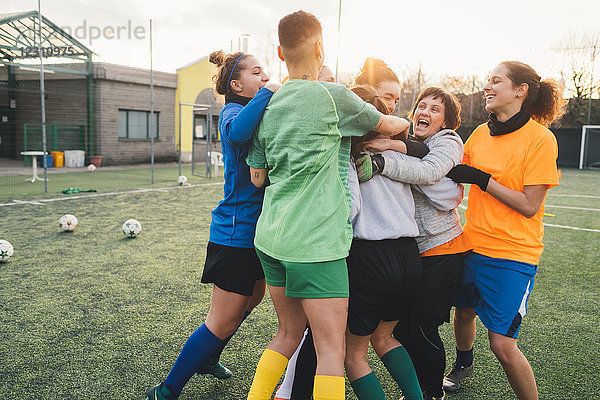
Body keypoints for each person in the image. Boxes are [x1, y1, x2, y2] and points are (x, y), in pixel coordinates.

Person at [245, 10, 410, 400]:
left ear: (281, 55)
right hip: (316, 243)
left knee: (286, 335)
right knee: (331, 353)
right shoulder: (332, 96)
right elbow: (390, 124)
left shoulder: (268, 103)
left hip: (271, 239)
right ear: (320, 47)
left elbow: (257, 176)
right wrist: (401, 131)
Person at [146, 50, 280, 400]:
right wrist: (269, 92)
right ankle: (166, 389)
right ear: (236, 84)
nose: (264, 77)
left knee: (253, 296)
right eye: (256, 73)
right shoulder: (233, 112)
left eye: (264, 72)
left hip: (257, 234)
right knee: (221, 319)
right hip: (235, 234)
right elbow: (236, 134)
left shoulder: (258, 110)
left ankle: (210, 357)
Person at [442, 61, 564, 400]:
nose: (487, 86)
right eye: (488, 80)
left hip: (512, 257)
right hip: (469, 246)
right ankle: (463, 363)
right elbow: (451, 169)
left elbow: (528, 205)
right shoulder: (480, 134)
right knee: (463, 311)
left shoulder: (541, 139)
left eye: (496, 81)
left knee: (503, 345)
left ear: (520, 91)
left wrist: (483, 180)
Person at [358, 87, 470, 400]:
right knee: (401, 328)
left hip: (441, 249)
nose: (426, 112)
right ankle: (419, 390)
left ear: (447, 121)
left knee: (421, 326)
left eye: (436, 109)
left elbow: (440, 183)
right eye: (422, 106)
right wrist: (400, 149)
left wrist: (385, 162)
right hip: (411, 251)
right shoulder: (410, 143)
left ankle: (433, 392)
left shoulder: (446, 141)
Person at [345, 85, 424, 400]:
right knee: (385, 337)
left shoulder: (350, 156)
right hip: (409, 256)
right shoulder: (395, 151)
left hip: (373, 258)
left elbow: (351, 210)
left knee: (353, 356)